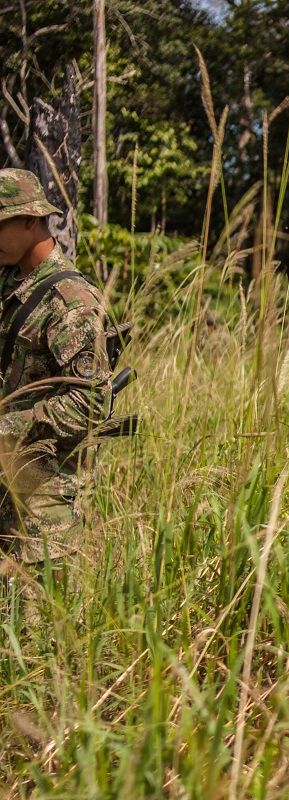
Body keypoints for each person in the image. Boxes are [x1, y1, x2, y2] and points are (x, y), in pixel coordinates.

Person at [0, 168, 112, 589]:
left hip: (47, 491)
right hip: (9, 478)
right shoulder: (13, 284)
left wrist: (7, 427)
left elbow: (91, 404)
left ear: (30, 220)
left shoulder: (71, 301)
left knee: (37, 627)